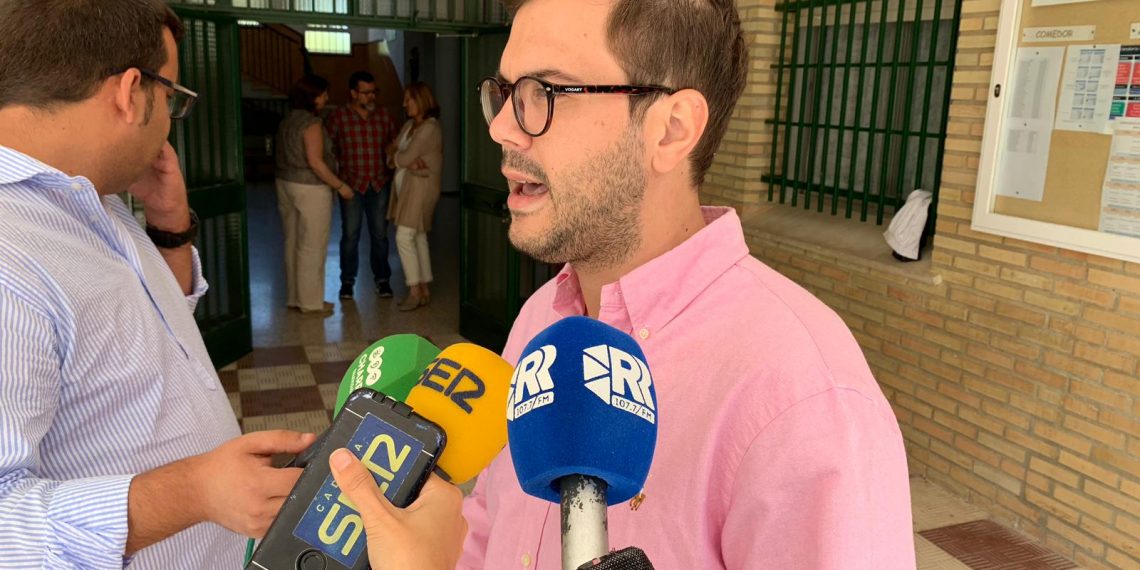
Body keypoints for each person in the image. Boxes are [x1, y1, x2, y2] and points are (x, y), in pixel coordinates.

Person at [461, 0, 916, 568]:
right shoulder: (542, 319)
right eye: (504, 95)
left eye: (544, 93)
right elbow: (488, 526)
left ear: (672, 130)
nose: (502, 128)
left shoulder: (803, 398)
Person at [0, 1, 316, 567]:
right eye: (171, 96)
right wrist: (192, 491)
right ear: (129, 91)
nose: (169, 117)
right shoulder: (10, 260)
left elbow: (148, 336)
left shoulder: (98, 199)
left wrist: (169, 229)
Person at [276, 74, 352, 316]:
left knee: (293, 242)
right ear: (313, 97)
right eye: (323, 93)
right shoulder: (311, 123)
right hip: (311, 188)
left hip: (285, 183)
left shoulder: (288, 119)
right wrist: (340, 186)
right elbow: (316, 162)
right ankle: (311, 303)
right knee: (312, 246)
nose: (326, 98)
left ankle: (295, 299)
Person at [324, 71, 399, 301]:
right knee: (350, 236)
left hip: (379, 184)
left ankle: (382, 280)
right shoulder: (338, 117)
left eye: (373, 92)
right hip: (351, 185)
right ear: (353, 93)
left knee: (379, 236)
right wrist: (337, 178)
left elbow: (395, 144)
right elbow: (328, 148)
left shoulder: (384, 116)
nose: (371, 97)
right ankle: (347, 282)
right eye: (365, 93)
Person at [387, 82, 443, 311]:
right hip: (407, 188)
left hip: (421, 189)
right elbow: (392, 155)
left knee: (404, 236)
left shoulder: (430, 128)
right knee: (417, 235)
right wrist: (402, 158)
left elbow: (400, 156)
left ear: (421, 100)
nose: (404, 104)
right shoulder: (410, 125)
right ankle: (424, 287)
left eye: (408, 99)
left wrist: (400, 157)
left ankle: (413, 290)